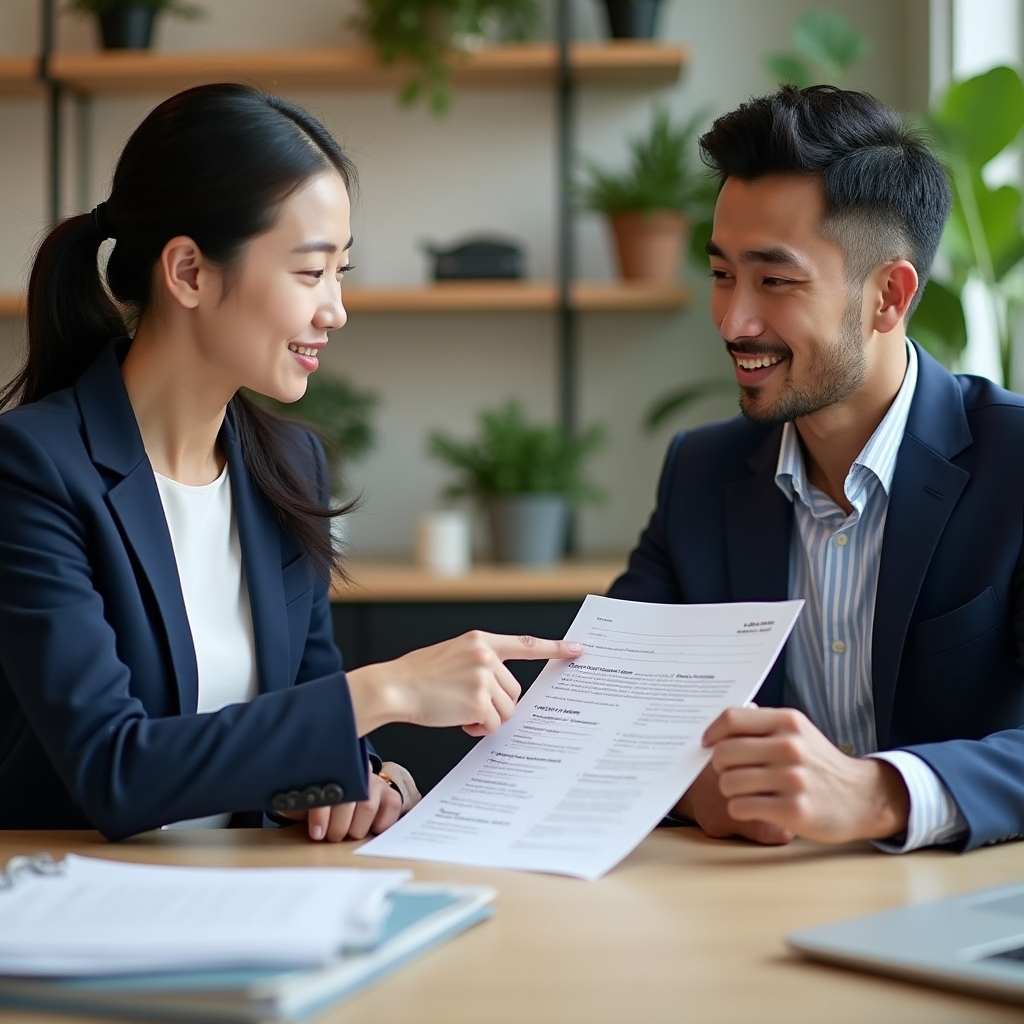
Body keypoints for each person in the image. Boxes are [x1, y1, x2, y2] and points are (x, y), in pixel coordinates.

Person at [0, 83, 581, 842]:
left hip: (254, 898)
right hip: (77, 914)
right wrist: (389, 688)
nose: (335, 308)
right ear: (188, 273)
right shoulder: (34, 468)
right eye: (310, 273)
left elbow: (305, 720)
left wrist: (366, 780)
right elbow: (115, 768)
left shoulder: (288, 465)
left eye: (342, 271)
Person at [610, 84, 1024, 853]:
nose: (734, 321)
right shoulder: (701, 472)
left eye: (776, 281)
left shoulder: (1015, 465)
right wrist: (699, 790)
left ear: (889, 296)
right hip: (749, 912)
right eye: (722, 274)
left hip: (963, 908)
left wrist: (878, 792)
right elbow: (611, 700)